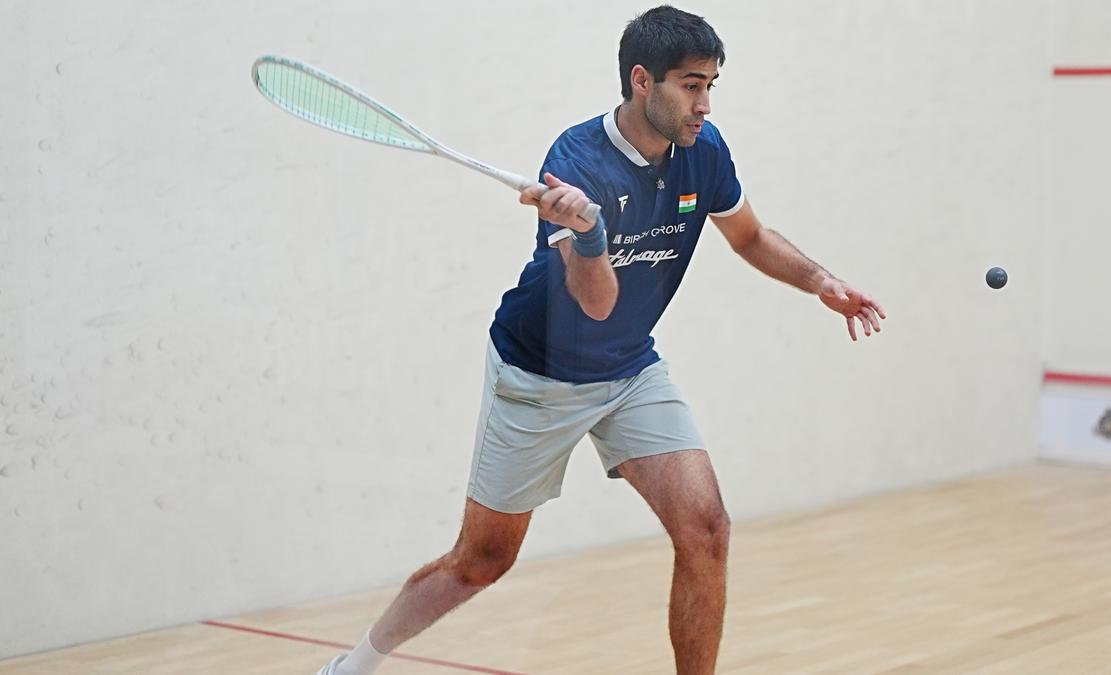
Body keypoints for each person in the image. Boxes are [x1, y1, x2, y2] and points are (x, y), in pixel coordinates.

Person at [318, 5, 885, 674]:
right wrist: (588, 236)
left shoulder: (705, 151)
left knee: (706, 528)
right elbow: (593, 301)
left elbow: (749, 234)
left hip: (629, 368)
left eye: (711, 85)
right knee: (480, 562)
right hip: (538, 377)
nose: (704, 103)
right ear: (642, 81)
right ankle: (352, 665)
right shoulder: (576, 160)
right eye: (690, 85)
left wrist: (821, 279)